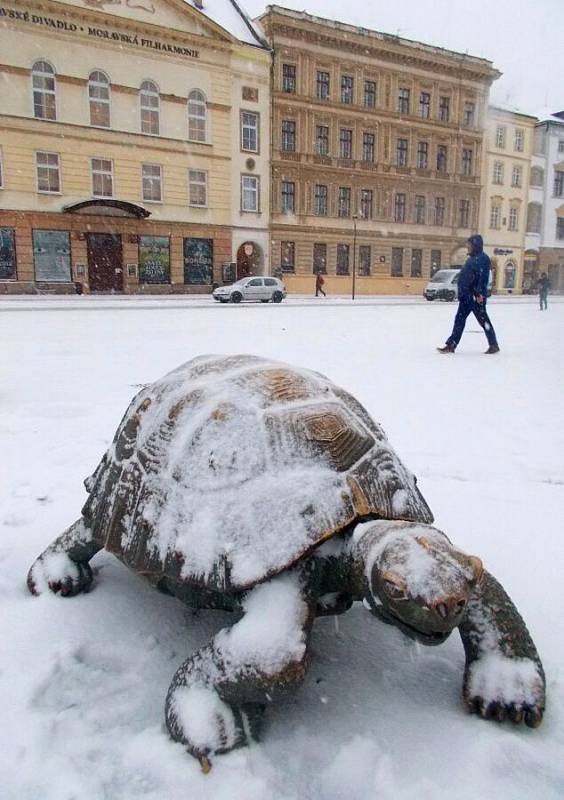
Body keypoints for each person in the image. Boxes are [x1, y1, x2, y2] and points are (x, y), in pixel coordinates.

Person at [437, 234, 500, 355]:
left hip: (475, 297)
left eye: (469, 245)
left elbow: (483, 278)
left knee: (483, 321)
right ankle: (451, 344)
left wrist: (479, 293)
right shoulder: (472, 258)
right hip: (466, 296)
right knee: (460, 320)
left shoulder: (482, 259)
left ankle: (493, 344)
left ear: (475, 245)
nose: (468, 247)